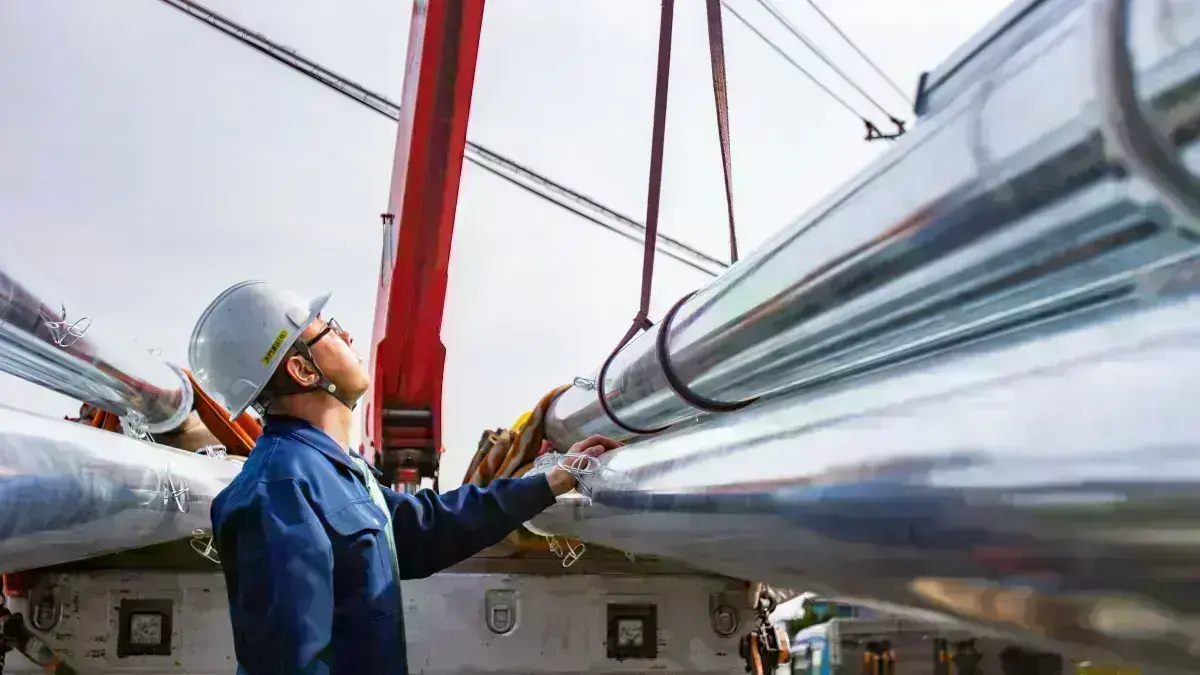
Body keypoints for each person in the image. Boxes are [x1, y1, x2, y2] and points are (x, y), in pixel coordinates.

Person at [188, 280, 620, 675]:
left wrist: (548, 483)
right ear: (303, 371)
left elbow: (427, 528)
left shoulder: (336, 471)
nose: (348, 336)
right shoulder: (279, 491)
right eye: (329, 330)